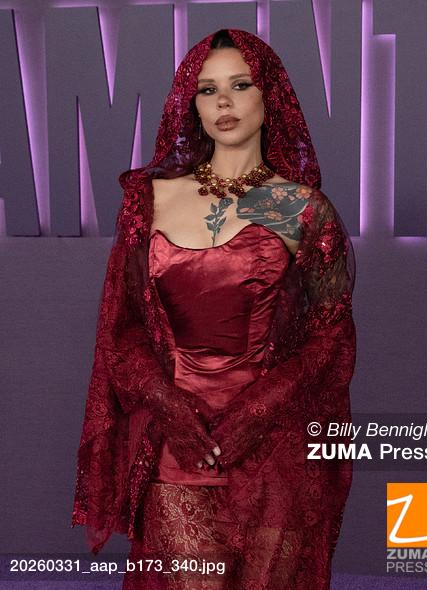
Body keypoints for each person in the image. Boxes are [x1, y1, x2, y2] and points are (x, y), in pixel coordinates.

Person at [71, 28, 357, 590]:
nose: (224, 102)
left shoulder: (300, 207)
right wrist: (169, 406)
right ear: (192, 105)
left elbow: (332, 337)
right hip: (180, 448)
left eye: (240, 85)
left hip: (275, 453)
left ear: (270, 97)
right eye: (207, 89)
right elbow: (122, 331)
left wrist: (257, 413)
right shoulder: (150, 199)